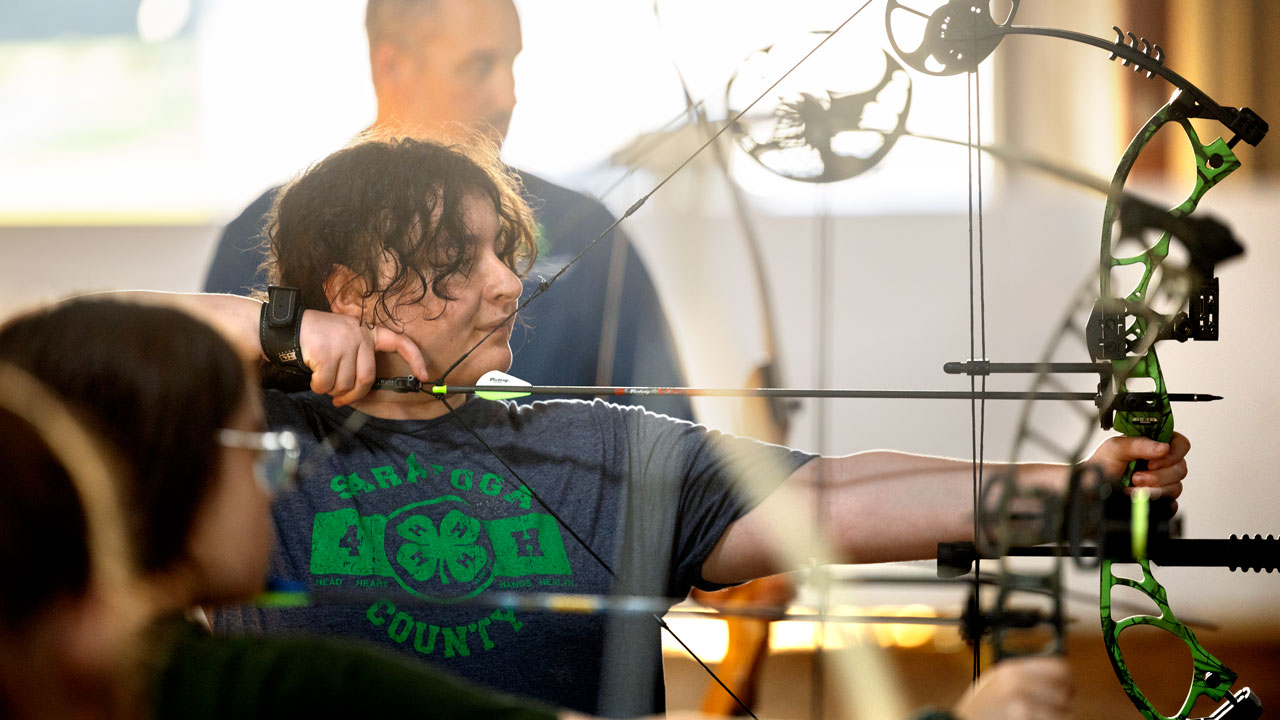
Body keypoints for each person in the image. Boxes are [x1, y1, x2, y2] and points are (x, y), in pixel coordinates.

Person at [109, 136, 1186, 719]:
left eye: (504, 250)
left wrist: (1070, 495)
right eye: (461, 256)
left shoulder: (591, 445)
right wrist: (281, 329)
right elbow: (53, 357)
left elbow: (822, 500)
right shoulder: (243, 444)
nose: (506, 283)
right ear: (355, 285)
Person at [0, 299, 594, 720]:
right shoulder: (280, 688)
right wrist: (285, 324)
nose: (275, 484)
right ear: (170, 464)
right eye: (259, 445)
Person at [204, 0, 694, 421]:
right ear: (392, 68)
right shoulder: (278, 226)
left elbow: (663, 440)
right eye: (479, 66)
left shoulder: (589, 226)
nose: (508, 97)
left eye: (511, 64)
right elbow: (204, 412)